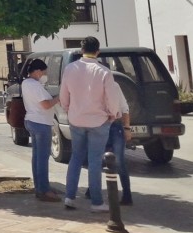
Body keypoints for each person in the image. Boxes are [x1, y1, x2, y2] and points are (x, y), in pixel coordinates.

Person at [59, 36, 120, 212]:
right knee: (95, 161)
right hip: (98, 120)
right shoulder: (104, 72)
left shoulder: (70, 68)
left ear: (81, 50)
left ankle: (69, 197)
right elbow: (112, 97)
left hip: (76, 119)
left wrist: (68, 109)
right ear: (98, 51)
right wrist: (113, 113)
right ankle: (96, 202)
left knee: (76, 157)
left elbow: (64, 95)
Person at [21, 58, 60, 201]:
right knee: (43, 158)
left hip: (32, 121)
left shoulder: (26, 83)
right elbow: (46, 105)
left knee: (37, 157)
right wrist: (58, 98)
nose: (45, 75)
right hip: (41, 123)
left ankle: (39, 187)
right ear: (38, 71)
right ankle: (44, 190)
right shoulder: (35, 86)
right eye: (44, 72)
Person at [106, 76, 133, 205]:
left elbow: (124, 107)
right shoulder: (92, 85)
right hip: (100, 126)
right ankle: (92, 190)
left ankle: (127, 195)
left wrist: (127, 128)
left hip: (115, 126)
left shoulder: (115, 86)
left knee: (119, 161)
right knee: (96, 160)